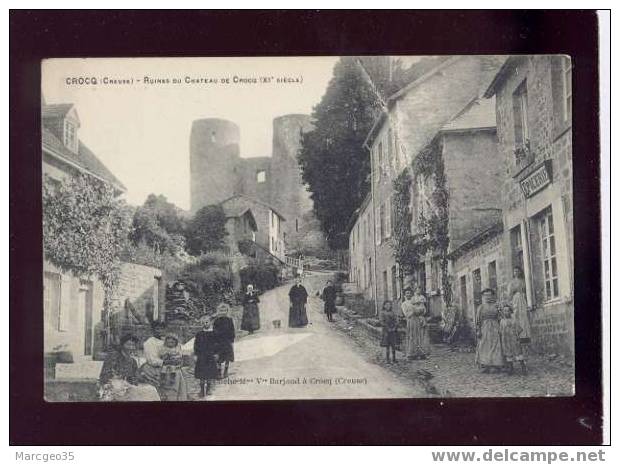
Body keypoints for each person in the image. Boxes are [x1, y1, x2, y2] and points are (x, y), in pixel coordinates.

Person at [99, 334, 160, 401]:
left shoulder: (133, 361)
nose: (131, 347)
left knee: (151, 389)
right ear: (122, 345)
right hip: (112, 385)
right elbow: (105, 374)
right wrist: (116, 380)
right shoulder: (113, 357)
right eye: (128, 344)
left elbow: (135, 377)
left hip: (127, 386)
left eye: (133, 345)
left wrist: (146, 379)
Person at [475, 288, 504, 373]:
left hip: (495, 327)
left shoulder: (496, 306)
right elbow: (478, 320)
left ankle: (496, 365)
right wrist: (478, 330)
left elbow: (501, 317)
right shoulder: (481, 307)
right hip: (484, 327)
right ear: (483, 297)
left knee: (496, 345)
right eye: (486, 295)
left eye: (490, 295)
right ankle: (486, 365)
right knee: (484, 345)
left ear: (492, 296)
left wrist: (500, 311)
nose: (488, 297)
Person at [157, 333, 188, 401]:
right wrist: (165, 356)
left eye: (173, 341)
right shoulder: (163, 348)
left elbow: (180, 358)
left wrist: (175, 358)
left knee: (176, 388)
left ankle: (172, 379)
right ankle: (163, 380)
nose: (171, 343)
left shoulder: (177, 349)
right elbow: (161, 356)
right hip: (166, 368)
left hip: (175, 368)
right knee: (168, 390)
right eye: (169, 341)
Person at [401, 286, 430, 360]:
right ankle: (411, 353)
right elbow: (407, 314)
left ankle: (420, 353)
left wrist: (418, 311)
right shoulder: (404, 304)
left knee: (419, 337)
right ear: (404, 294)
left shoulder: (415, 301)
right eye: (407, 293)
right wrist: (415, 311)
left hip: (417, 320)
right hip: (411, 321)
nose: (408, 295)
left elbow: (422, 310)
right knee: (412, 336)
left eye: (410, 293)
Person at [194, 319, 220, 398]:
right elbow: (196, 345)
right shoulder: (199, 334)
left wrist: (217, 353)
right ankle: (202, 390)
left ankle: (208, 389)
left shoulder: (214, 333)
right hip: (201, 356)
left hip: (210, 356)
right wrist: (195, 355)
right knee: (202, 374)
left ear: (210, 322)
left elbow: (217, 344)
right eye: (203, 322)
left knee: (209, 373)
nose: (205, 323)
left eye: (207, 321)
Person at [508, 267, 532, 351]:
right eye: (515, 271)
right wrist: (511, 303)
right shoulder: (512, 282)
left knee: (523, 317)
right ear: (513, 273)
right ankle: (518, 335)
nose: (516, 273)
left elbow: (525, 291)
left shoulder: (523, 281)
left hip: (522, 299)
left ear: (520, 272)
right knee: (516, 315)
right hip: (516, 299)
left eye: (518, 271)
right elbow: (510, 294)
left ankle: (524, 336)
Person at [499, 303, 527, 375]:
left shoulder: (514, 320)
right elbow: (501, 331)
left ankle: (523, 367)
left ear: (510, 312)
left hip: (514, 338)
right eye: (504, 311)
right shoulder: (502, 321)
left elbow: (519, 329)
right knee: (508, 353)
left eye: (507, 311)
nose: (506, 312)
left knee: (518, 352)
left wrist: (516, 335)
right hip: (506, 339)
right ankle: (511, 368)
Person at [139, 321, 166, 388]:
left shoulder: (164, 341)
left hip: (164, 368)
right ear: (153, 330)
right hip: (153, 369)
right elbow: (152, 361)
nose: (160, 331)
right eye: (157, 329)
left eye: (162, 329)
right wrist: (167, 362)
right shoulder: (149, 342)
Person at [212, 302, 235, 379]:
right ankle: (219, 372)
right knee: (219, 358)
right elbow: (214, 331)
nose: (223, 312)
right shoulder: (216, 321)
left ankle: (226, 371)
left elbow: (232, 330)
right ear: (218, 311)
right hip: (219, 341)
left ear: (227, 311)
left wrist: (232, 339)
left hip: (227, 341)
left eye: (225, 310)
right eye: (221, 311)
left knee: (227, 357)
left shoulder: (229, 320)